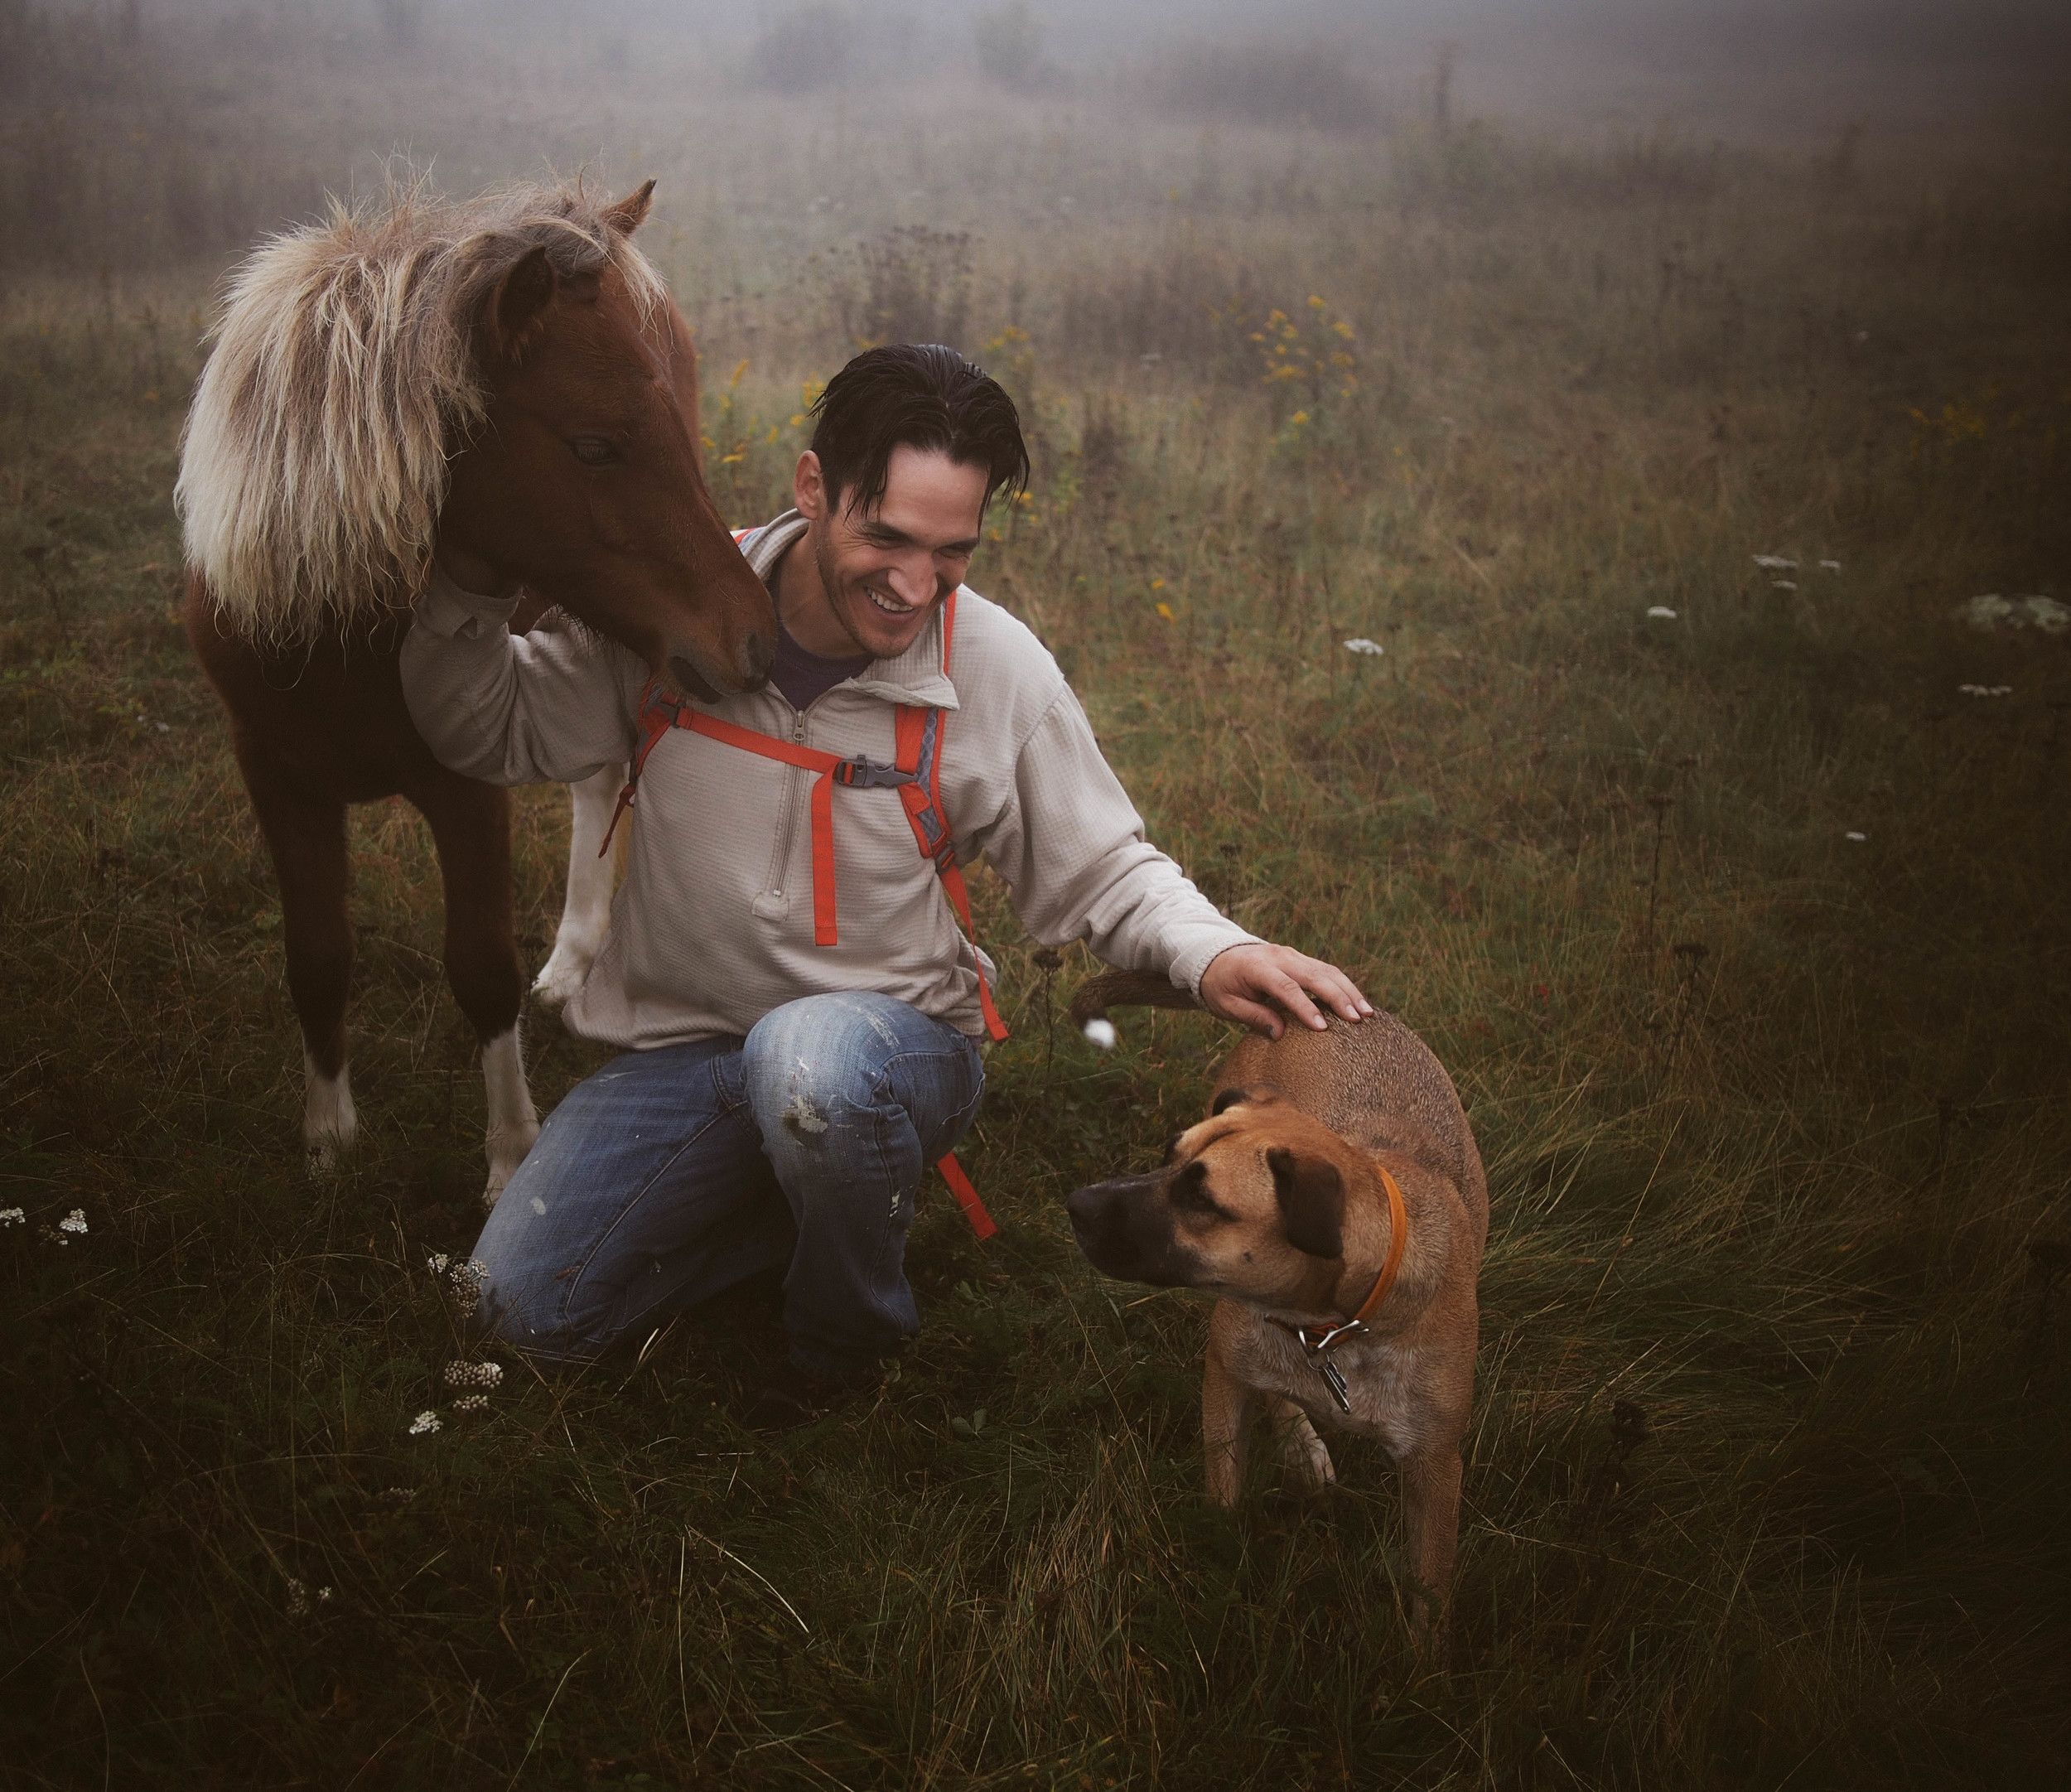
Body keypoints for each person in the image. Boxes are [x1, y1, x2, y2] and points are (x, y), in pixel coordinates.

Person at [402, 343, 1372, 1422]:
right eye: (888, 537)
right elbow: (482, 726)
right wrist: (463, 579)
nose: (915, 587)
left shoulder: (995, 667)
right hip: (679, 1049)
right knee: (514, 1314)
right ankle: (782, 1217)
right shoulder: (671, 606)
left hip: (885, 1052)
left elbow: (1102, 863)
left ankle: (843, 1337)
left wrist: (1213, 950)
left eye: (952, 552)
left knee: (810, 1071)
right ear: (813, 487)